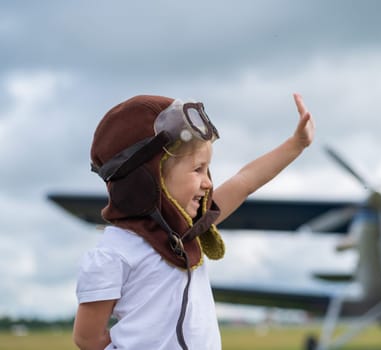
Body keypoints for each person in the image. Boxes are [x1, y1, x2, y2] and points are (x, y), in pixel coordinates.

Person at [73, 93, 314, 350]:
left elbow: (245, 181)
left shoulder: (189, 232)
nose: (208, 182)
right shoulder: (113, 254)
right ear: (148, 179)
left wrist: (296, 144)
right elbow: (88, 338)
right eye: (198, 169)